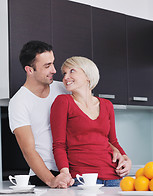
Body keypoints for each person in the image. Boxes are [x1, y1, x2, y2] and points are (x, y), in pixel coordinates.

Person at [8, 41, 130, 188]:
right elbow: (28, 150)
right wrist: (51, 180)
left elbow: (91, 126)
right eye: (47, 66)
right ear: (30, 70)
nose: (54, 70)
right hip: (47, 173)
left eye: (53, 63)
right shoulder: (19, 102)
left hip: (73, 170)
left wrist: (117, 151)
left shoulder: (63, 87)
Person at [50, 56, 132, 187]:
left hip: (114, 177)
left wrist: (126, 159)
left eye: (72, 71)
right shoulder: (63, 102)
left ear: (88, 75)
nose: (65, 77)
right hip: (82, 178)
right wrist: (64, 173)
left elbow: (113, 141)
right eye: (64, 73)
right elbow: (59, 145)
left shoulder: (107, 105)